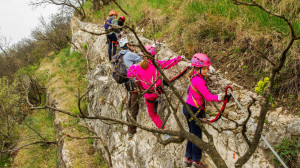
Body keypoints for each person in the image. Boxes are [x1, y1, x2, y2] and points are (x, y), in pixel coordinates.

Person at [127, 45, 182, 131]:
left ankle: (164, 130)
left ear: (143, 55)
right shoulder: (156, 64)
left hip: (149, 95)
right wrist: (179, 58)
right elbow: (168, 64)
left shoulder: (138, 68)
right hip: (159, 90)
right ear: (153, 55)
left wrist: (132, 66)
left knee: (152, 114)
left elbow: (129, 74)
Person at [183, 53, 224, 168]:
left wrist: (208, 68)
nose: (206, 71)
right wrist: (220, 98)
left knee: (192, 134)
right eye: (205, 69)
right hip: (194, 110)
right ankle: (196, 161)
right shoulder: (199, 81)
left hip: (189, 107)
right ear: (198, 68)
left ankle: (188, 157)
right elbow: (208, 97)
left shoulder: (194, 75)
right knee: (197, 136)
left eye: (207, 68)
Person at [118, 38, 143, 138]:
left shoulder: (121, 55)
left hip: (128, 84)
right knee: (134, 106)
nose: (132, 46)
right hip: (133, 84)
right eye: (130, 44)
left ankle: (129, 127)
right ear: (127, 45)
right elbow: (142, 59)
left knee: (130, 105)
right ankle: (131, 130)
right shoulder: (129, 54)